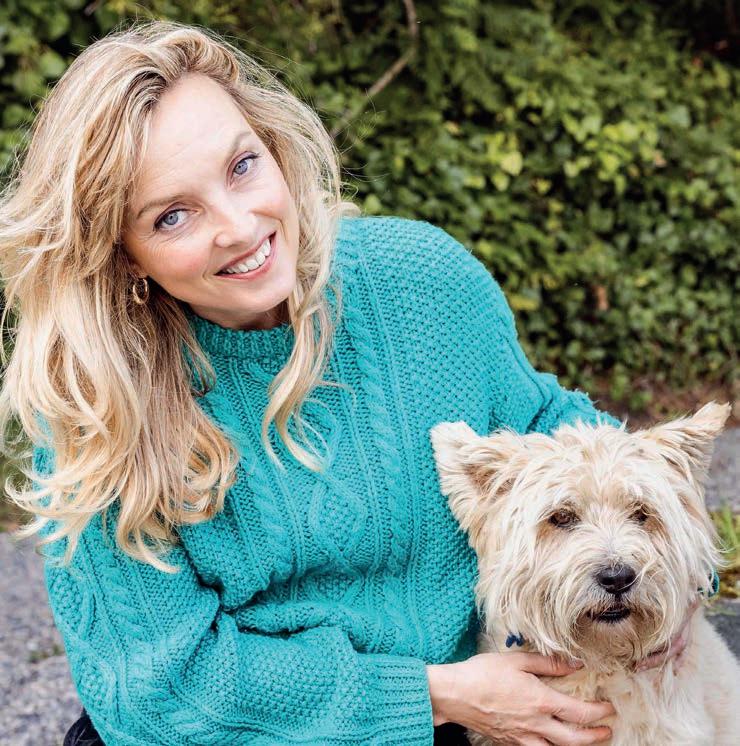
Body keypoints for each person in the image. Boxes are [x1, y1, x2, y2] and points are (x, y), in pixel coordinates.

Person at [0, 20, 696, 746]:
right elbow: (162, 693)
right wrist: (436, 695)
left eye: (242, 166)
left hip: (463, 717)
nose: (239, 226)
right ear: (121, 254)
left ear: (275, 146)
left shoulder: (425, 282)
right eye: (173, 215)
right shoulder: (97, 405)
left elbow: (552, 429)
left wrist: (674, 573)